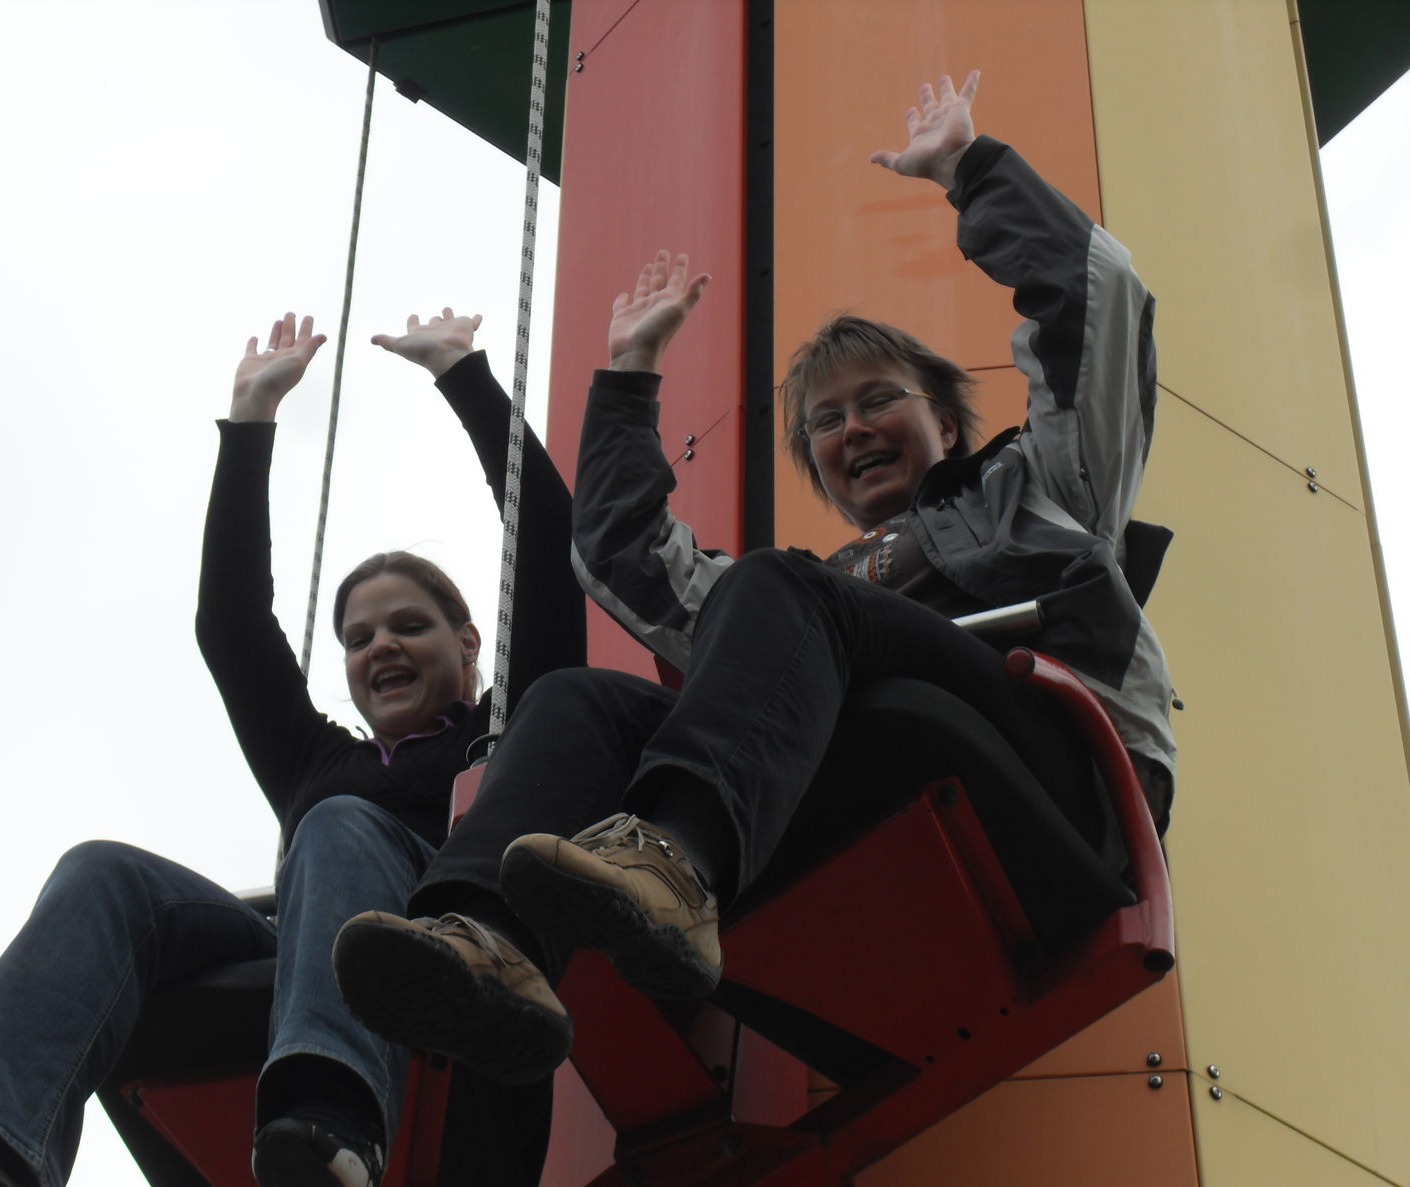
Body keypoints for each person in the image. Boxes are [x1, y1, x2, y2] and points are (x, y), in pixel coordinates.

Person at [331, 71, 1176, 1086]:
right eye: (825, 421)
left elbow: (1098, 303)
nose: (853, 428)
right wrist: (628, 376)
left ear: (949, 423)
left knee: (780, 588)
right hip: (849, 775)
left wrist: (972, 169)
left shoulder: (1039, 485)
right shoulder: (794, 616)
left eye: (879, 400)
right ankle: (485, 939)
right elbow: (622, 558)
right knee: (578, 700)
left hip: (1045, 783)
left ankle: (676, 860)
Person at [0, 310, 583, 1187]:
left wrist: (466, 380)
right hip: (308, 948)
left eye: (409, 626)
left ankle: (332, 1119)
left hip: (449, 948)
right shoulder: (316, 764)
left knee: (341, 827)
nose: (380, 645)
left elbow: (548, 551)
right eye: (358, 636)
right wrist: (250, 423)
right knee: (104, 873)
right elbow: (231, 627)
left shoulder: (511, 729)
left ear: (468, 642)